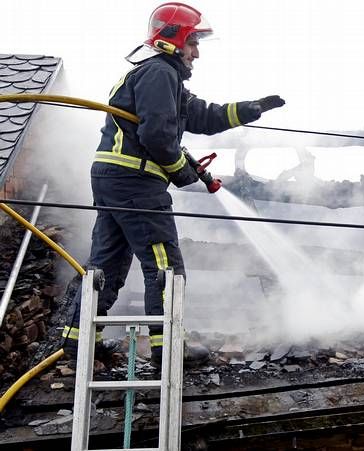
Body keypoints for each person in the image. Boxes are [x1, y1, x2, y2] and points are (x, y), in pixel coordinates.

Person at [62, 2, 285, 368]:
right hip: (136, 181)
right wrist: (183, 172)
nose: (197, 53)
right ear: (173, 40)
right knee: (165, 266)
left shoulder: (161, 78)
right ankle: (168, 348)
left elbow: (205, 116)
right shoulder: (160, 73)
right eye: (193, 43)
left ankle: (78, 341)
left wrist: (252, 108)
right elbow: (157, 136)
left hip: (115, 180)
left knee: (106, 263)